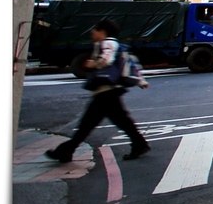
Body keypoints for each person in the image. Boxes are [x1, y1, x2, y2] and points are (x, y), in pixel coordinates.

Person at [46, 19, 151, 163]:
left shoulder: (107, 43)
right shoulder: (111, 44)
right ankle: (140, 144)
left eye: (95, 29)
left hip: (106, 91)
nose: (92, 32)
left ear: (103, 32)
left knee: (90, 123)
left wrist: (93, 63)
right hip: (108, 91)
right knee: (116, 121)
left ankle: (66, 151)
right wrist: (140, 81)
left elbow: (106, 60)